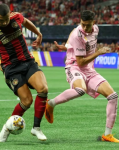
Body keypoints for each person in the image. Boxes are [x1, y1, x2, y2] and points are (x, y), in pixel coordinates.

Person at [0, 4, 48, 142]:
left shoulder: (15, 17)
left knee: (43, 89)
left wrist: (38, 33)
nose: (5, 22)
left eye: (6, 19)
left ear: (9, 14)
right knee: (27, 101)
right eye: (1, 20)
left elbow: (25, 21)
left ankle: (36, 128)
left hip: (28, 62)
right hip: (11, 68)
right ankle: (6, 128)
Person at [45, 10, 119, 142]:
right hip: (74, 66)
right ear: (80, 22)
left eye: (88, 25)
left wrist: (66, 46)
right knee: (80, 90)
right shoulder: (77, 35)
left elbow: (71, 39)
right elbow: (80, 62)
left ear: (93, 23)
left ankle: (107, 135)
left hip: (89, 69)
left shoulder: (95, 29)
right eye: (83, 24)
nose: (85, 27)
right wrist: (98, 53)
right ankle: (50, 104)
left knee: (113, 97)